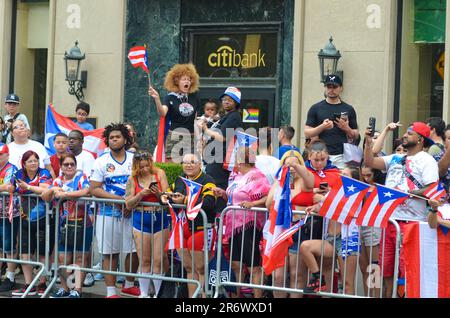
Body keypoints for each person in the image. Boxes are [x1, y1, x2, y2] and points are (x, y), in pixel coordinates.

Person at [363, 121, 439, 298]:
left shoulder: (427, 161)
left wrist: (406, 193)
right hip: (390, 222)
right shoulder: (396, 158)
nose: (405, 135)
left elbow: (432, 189)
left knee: (406, 271)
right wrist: (367, 143)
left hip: (411, 225)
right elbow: (370, 161)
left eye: (410, 133)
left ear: (420, 139)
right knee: (387, 270)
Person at [89, 123, 139, 298]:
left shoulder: (135, 159)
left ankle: (129, 284)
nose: (114, 140)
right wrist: (121, 201)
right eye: (111, 137)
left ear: (125, 139)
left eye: (118, 137)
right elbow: (94, 189)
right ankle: (111, 292)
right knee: (110, 253)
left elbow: (143, 183)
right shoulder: (101, 161)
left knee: (133, 251)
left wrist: (130, 203)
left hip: (132, 213)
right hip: (107, 213)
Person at [213, 147, 270, 298]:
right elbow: (235, 198)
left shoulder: (257, 175)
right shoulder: (238, 176)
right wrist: (224, 194)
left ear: (240, 161)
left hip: (249, 225)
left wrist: (253, 203)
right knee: (236, 264)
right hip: (234, 225)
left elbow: (269, 197)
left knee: (253, 266)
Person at [161, 153, 217, 298]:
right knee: (189, 268)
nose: (188, 165)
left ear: (199, 165)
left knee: (201, 268)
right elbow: (168, 194)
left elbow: (209, 203)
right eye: (185, 162)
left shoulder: (208, 181)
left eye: (192, 162)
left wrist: (185, 200)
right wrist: (163, 197)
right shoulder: (180, 180)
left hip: (200, 229)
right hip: (182, 230)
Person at [265, 150, 314, 298]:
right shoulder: (278, 182)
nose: (291, 167)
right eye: (288, 164)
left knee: (296, 274)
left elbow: (310, 181)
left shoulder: (304, 182)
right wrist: (280, 184)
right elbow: (268, 205)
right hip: (280, 231)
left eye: (295, 164)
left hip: (298, 230)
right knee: (278, 276)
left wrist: (298, 170)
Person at [42, 153, 91, 298]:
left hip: (83, 224)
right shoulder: (57, 180)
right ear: (61, 167)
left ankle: (77, 289)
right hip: (63, 225)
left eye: (72, 164)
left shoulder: (81, 177)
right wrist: (52, 190)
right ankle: (66, 288)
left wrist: (65, 194)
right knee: (63, 259)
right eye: (66, 164)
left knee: (79, 259)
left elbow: (86, 191)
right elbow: (45, 196)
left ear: (76, 166)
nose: (69, 167)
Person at [125, 150, 170, 298]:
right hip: (140, 218)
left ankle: (158, 294)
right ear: (136, 166)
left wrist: (158, 193)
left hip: (159, 217)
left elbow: (166, 198)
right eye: (141, 166)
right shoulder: (133, 179)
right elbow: (128, 204)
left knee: (158, 259)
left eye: (147, 165)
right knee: (144, 259)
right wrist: (140, 195)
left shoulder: (159, 173)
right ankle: (144, 293)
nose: (145, 169)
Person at [11, 150, 53, 296]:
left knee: (42, 253)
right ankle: (29, 284)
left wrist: (28, 187)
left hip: (44, 219)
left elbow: (46, 190)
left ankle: (42, 283)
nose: (34, 163)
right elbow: (11, 187)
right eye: (30, 161)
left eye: (36, 160)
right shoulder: (18, 174)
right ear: (24, 163)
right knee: (25, 254)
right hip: (24, 218)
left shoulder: (44, 173)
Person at [304, 75, 359, 170]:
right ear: (325, 88)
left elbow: (356, 135)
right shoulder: (316, 108)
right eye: (329, 87)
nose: (331, 90)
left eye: (334, 87)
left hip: (342, 156)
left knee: (341, 183)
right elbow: (307, 132)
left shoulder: (349, 109)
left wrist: (347, 129)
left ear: (341, 88)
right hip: (320, 156)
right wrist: (322, 127)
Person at [148, 63, 201, 162]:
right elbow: (162, 113)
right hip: (175, 136)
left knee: (189, 166)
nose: (187, 82)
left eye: (189, 79)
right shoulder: (170, 97)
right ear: (176, 81)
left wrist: (198, 140)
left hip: (190, 137)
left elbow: (195, 121)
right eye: (184, 79)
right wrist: (157, 99)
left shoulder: (195, 98)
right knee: (173, 166)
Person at [202, 87, 243, 214]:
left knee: (217, 189)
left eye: (230, 100)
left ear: (236, 102)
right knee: (211, 188)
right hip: (213, 159)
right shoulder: (226, 116)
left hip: (220, 161)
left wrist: (205, 129)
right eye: (224, 99)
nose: (226, 102)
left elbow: (223, 137)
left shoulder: (234, 116)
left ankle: (219, 218)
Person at [359, 163, 383, 297]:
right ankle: (367, 295)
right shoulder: (358, 186)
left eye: (369, 175)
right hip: (358, 226)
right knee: (364, 268)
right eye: (363, 175)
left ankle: (376, 296)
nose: (366, 178)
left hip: (373, 226)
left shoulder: (379, 188)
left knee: (374, 268)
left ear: (375, 174)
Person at [0, 143, 20, 293]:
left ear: (7, 155)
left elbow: (9, 186)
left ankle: (11, 276)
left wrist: (5, 187)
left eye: (1, 154)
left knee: (9, 246)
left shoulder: (12, 168)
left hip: (8, 215)